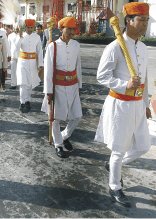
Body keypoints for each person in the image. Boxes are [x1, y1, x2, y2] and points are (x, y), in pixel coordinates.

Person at [95, 2, 151, 207]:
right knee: (119, 150)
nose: (145, 24)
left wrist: (145, 104)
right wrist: (124, 84)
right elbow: (101, 76)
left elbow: (144, 79)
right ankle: (115, 187)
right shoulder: (115, 46)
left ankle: (113, 166)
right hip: (120, 104)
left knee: (143, 146)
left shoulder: (143, 47)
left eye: (147, 20)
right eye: (142, 20)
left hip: (137, 105)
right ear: (129, 21)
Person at [41, 17, 82, 158]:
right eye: (68, 29)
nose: (71, 32)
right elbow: (48, 70)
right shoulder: (53, 46)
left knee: (77, 115)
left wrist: (79, 85)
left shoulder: (76, 45)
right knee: (55, 117)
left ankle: (65, 136)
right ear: (61, 29)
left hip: (73, 85)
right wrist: (48, 91)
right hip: (57, 86)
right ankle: (58, 144)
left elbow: (78, 66)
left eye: (73, 29)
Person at [15, 19, 43, 113]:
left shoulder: (37, 37)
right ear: (25, 27)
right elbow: (16, 48)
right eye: (28, 27)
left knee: (29, 83)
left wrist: (41, 65)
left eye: (31, 27)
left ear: (33, 27)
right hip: (22, 62)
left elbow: (40, 51)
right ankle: (22, 102)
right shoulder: (21, 35)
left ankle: (27, 101)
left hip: (32, 62)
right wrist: (19, 37)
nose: (30, 29)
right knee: (23, 83)